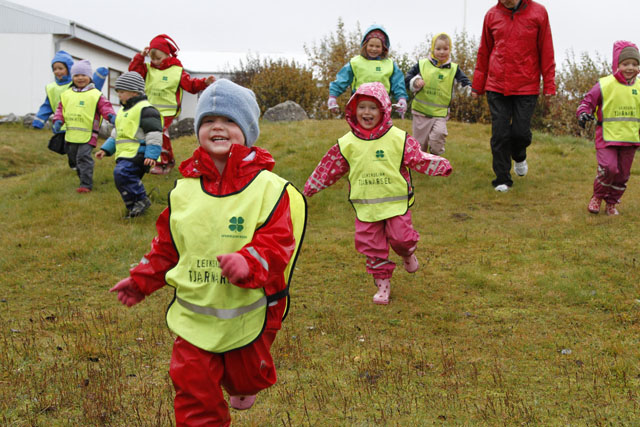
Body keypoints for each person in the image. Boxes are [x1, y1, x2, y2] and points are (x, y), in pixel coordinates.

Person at [109, 79, 307, 426]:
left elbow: (278, 243)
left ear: (247, 131)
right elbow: (167, 246)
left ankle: (243, 383)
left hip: (248, 315)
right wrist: (141, 281)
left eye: (230, 120)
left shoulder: (269, 190)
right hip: (194, 321)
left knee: (245, 380)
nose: (218, 126)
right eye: (208, 120)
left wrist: (248, 261)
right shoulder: (184, 190)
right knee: (193, 389)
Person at [304, 82, 451, 305]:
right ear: (353, 110)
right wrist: (312, 186)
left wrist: (441, 166)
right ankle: (382, 285)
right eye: (361, 107)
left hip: (396, 205)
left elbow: (418, 157)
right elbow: (329, 167)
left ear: (383, 110)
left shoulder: (398, 138)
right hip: (366, 208)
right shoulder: (347, 144)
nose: (366, 112)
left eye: (373, 108)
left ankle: (407, 253)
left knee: (402, 239)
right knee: (372, 247)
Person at [471, 0, 556, 192]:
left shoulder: (539, 13)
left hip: (527, 85)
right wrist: (478, 86)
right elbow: (484, 52)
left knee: (520, 133)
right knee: (500, 133)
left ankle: (519, 155)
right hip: (496, 84)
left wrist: (549, 86)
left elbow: (547, 51)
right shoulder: (491, 15)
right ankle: (502, 178)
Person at [128, 34, 215, 175]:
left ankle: (165, 162)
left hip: (167, 112)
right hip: (149, 109)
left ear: (167, 55)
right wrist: (140, 57)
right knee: (146, 135)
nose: (155, 62)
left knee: (159, 135)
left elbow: (191, 85)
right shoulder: (148, 68)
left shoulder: (177, 71)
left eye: (159, 58)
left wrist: (204, 82)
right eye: (153, 58)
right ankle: (148, 160)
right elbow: (133, 73)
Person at [577, 41, 640, 216]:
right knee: (609, 169)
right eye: (626, 64)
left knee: (622, 176)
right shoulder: (605, 85)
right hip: (606, 137)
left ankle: (611, 203)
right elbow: (587, 101)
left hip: (630, 139)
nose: (630, 68)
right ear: (617, 65)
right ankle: (597, 196)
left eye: (634, 64)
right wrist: (583, 113)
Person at [95, 72, 163, 218]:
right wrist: (106, 150)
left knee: (122, 173)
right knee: (121, 178)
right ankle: (134, 207)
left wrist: (152, 154)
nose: (118, 95)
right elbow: (117, 134)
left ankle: (141, 199)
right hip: (125, 154)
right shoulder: (122, 112)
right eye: (117, 92)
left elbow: (154, 134)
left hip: (139, 153)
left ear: (134, 92)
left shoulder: (146, 110)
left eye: (122, 92)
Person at [51, 60, 115, 193]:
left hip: (89, 134)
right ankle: (82, 178)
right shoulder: (67, 94)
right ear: (72, 77)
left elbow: (105, 107)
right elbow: (60, 110)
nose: (80, 78)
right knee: (74, 159)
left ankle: (86, 185)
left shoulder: (96, 94)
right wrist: (57, 121)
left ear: (90, 77)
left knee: (83, 158)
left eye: (83, 75)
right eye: (76, 75)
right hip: (71, 135)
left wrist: (111, 117)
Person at [405, 32, 472, 155]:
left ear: (450, 50)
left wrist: (469, 89)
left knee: (439, 136)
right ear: (432, 49)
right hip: (421, 112)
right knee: (420, 145)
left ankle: (436, 158)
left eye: (445, 49)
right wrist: (416, 81)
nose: (442, 52)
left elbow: (464, 82)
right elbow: (408, 77)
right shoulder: (422, 64)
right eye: (438, 49)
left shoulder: (454, 68)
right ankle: (420, 163)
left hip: (440, 114)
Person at [328, 25, 408, 117]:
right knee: (360, 129)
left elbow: (398, 83)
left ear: (383, 48)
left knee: (382, 130)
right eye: (371, 45)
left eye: (378, 46)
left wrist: (401, 98)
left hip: (382, 105)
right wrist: (333, 97)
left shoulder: (390, 64)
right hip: (359, 104)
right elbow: (342, 80)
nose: (374, 49)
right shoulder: (355, 62)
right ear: (365, 45)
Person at [32, 50, 108, 130]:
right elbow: (47, 106)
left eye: (60, 68)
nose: (57, 71)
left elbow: (92, 91)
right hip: (59, 127)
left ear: (69, 69)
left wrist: (99, 77)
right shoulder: (52, 88)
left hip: (77, 126)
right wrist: (38, 121)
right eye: (54, 69)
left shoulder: (76, 84)